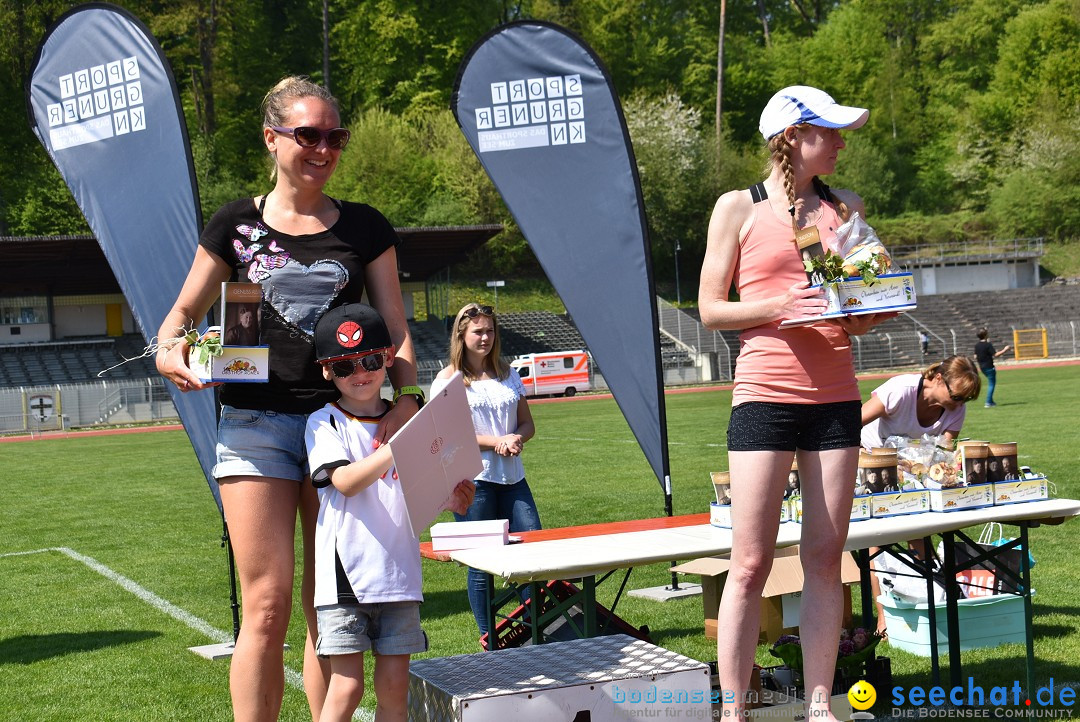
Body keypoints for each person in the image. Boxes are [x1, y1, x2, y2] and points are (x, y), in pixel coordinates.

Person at [154, 76, 423, 721]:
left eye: (335, 136)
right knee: (267, 604)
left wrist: (404, 401)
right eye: (309, 135)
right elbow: (180, 317)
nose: (323, 148)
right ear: (272, 138)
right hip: (254, 423)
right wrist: (172, 350)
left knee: (324, 603)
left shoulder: (365, 227)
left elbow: (397, 328)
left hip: (340, 426)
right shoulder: (234, 224)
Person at [697, 85, 891, 719]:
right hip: (764, 396)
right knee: (750, 562)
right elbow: (709, 310)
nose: (840, 141)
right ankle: (733, 710)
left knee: (824, 559)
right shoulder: (738, 208)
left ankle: (818, 706)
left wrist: (867, 310)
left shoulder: (849, 208)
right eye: (828, 131)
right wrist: (779, 307)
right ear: (789, 137)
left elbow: (858, 311)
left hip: (836, 398)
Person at [305, 303, 474, 722]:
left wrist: (450, 498)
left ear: (386, 360)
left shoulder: (409, 421)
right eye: (344, 366)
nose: (360, 373)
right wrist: (400, 442)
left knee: (395, 688)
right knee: (347, 687)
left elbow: (411, 493)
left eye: (371, 360)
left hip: (399, 574)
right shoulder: (323, 422)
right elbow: (344, 481)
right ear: (327, 371)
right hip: (347, 577)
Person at [431, 303, 540, 636]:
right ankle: (488, 638)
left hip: (514, 478)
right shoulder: (447, 380)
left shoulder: (509, 374)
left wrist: (516, 439)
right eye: (478, 331)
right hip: (471, 483)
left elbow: (528, 424)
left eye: (490, 330)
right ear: (461, 335)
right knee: (481, 565)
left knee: (532, 557)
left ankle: (535, 631)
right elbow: (445, 436)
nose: (485, 337)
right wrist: (497, 441)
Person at [860, 356, 981, 632]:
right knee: (876, 539)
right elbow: (853, 422)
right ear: (938, 378)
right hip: (872, 465)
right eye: (956, 396)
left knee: (919, 533)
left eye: (965, 399)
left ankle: (933, 603)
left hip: (915, 475)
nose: (959, 404)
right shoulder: (901, 391)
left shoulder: (954, 410)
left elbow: (942, 455)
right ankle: (883, 618)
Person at [974, 327, 1010, 407]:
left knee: (991, 383)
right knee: (991, 384)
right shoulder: (988, 345)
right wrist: (1005, 350)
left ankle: (991, 401)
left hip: (982, 367)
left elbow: (975, 356)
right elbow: (996, 355)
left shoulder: (977, 345)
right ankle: (988, 402)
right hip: (989, 367)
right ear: (986, 335)